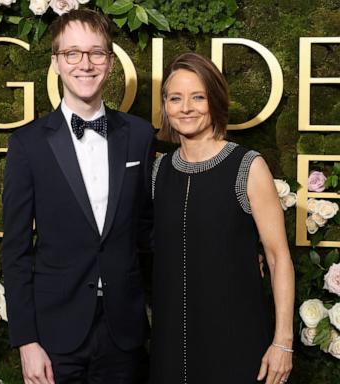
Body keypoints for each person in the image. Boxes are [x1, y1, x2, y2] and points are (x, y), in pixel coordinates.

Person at [1, 9, 154, 384]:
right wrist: (27, 341)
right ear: (55, 62)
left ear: (110, 62)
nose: (85, 64)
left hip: (125, 332)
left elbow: (148, 234)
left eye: (96, 53)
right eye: (72, 53)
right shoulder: (28, 144)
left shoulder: (139, 134)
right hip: (55, 335)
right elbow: (15, 250)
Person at [150, 52, 295, 384]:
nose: (186, 107)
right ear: (166, 107)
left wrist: (283, 342)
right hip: (171, 347)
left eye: (198, 97)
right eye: (176, 98)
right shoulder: (158, 171)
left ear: (214, 100)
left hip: (236, 342)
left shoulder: (248, 166)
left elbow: (277, 257)